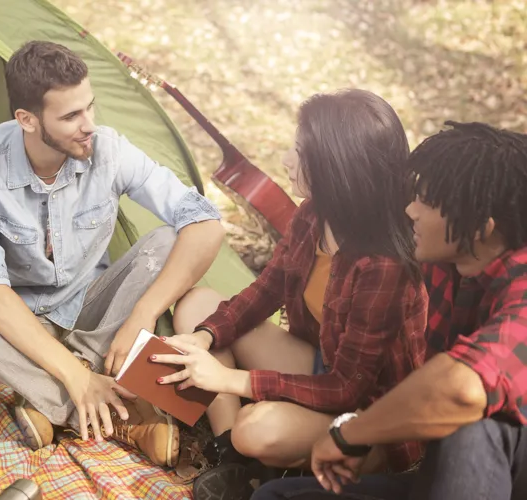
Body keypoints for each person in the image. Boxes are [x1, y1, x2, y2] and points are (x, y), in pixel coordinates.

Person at [0, 41, 225, 467]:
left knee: (169, 239)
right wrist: (76, 376)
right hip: (22, 322)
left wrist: (142, 314)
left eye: (90, 107)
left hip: (92, 311)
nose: (88, 125)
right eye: (70, 116)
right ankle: (97, 406)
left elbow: (206, 221)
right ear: (26, 120)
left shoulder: (109, 148)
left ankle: (45, 398)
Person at [162, 89, 429, 499]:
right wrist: (205, 337)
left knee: (258, 428)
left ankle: (249, 446)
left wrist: (229, 379)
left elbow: (347, 389)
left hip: (371, 417)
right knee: (198, 307)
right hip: (320, 362)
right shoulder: (315, 214)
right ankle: (236, 461)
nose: (287, 159)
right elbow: (267, 290)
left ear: (337, 167)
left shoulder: (383, 266)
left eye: (300, 151)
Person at [255, 121, 527, 500]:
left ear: (482, 227)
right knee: (275, 496)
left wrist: (350, 435)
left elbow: (462, 390)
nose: (411, 210)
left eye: (428, 202)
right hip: (439, 478)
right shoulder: (447, 263)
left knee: (477, 422)